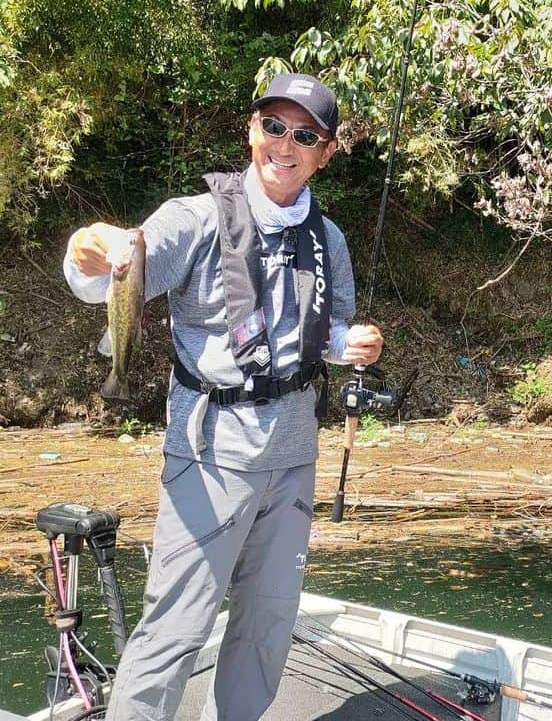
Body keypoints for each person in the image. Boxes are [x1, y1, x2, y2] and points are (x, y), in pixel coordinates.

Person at [65, 73, 384, 721]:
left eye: (305, 134)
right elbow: (107, 277)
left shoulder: (331, 242)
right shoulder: (195, 218)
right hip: (209, 457)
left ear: (324, 151)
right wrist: (88, 254)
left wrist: (352, 343)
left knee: (265, 629)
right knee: (173, 630)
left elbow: (321, 334)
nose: (284, 143)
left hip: (294, 458)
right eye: (273, 125)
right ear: (251, 130)